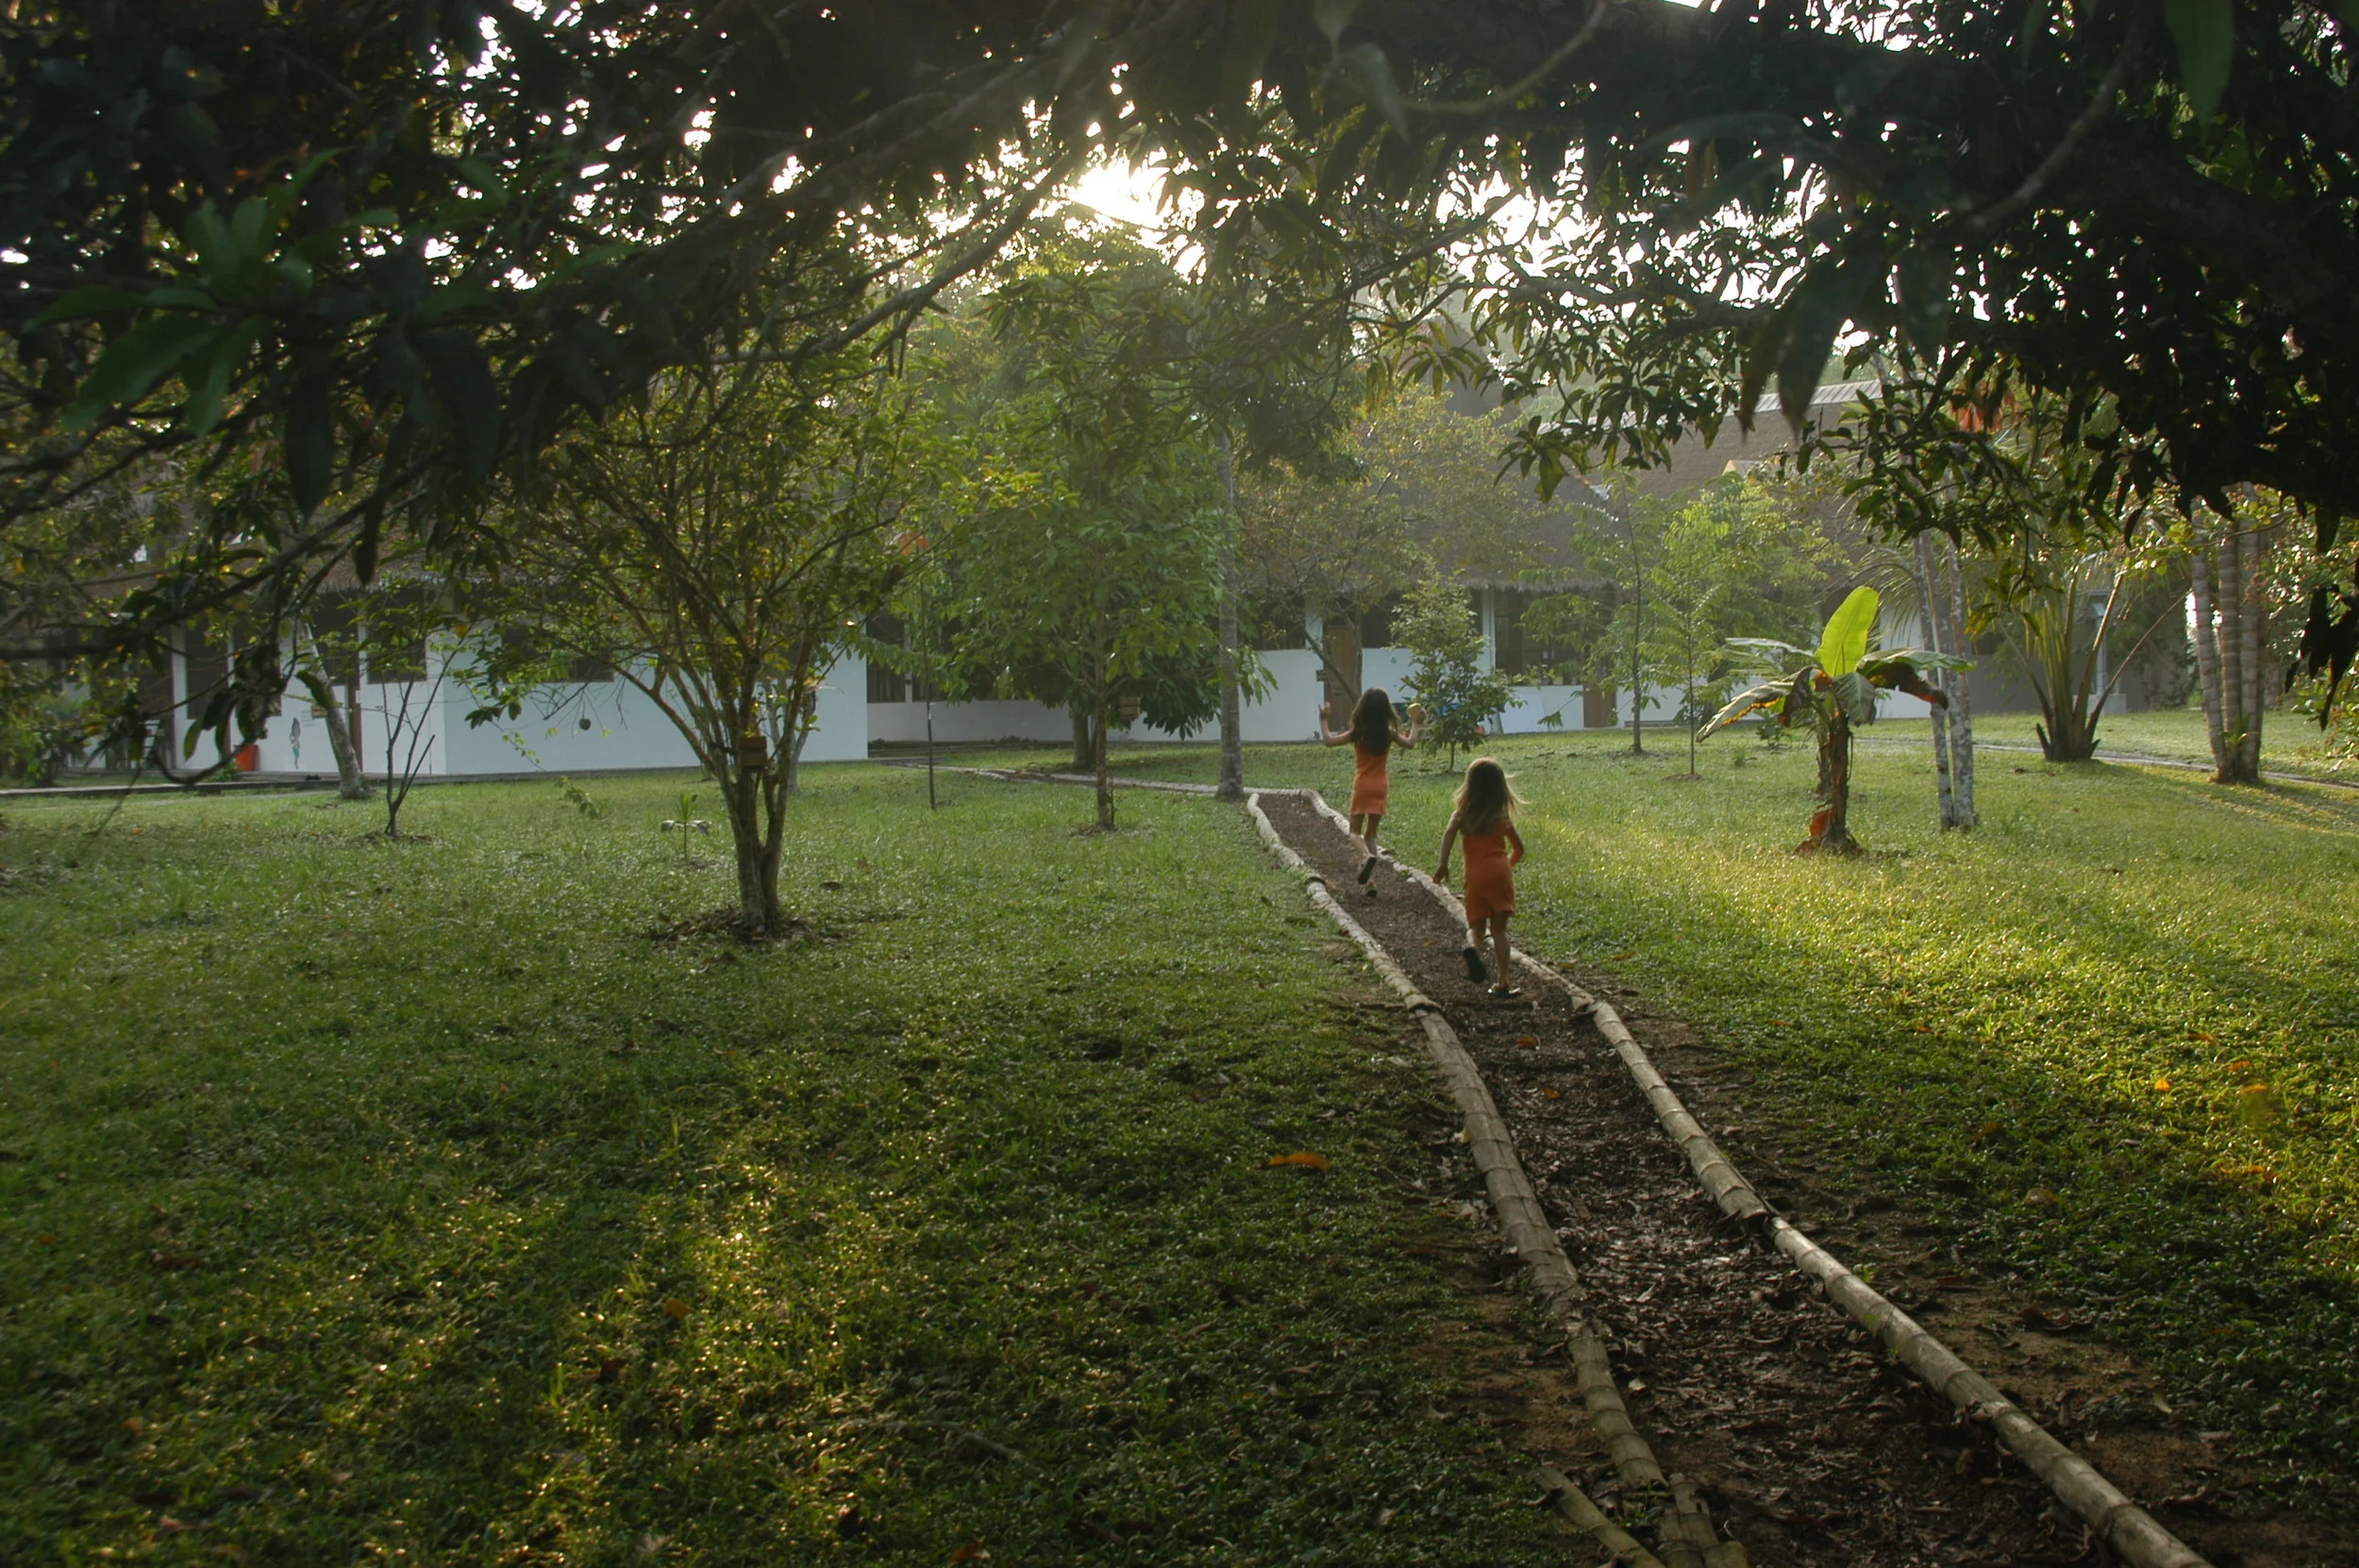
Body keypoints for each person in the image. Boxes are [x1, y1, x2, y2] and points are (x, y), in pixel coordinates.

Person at [1435, 757, 1526, 998]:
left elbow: (1448, 834)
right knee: (1499, 930)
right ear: (1500, 788)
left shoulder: (1462, 815)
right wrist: (1506, 867)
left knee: (1475, 927)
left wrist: (1443, 864)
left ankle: (1472, 948)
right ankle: (1503, 981)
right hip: (1500, 872)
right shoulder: (1501, 817)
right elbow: (1519, 849)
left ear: (1470, 786)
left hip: (1475, 876)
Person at [1319, 688, 1422, 892]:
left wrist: (1323, 719)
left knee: (1354, 832)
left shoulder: (1358, 733)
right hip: (1381, 786)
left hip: (1363, 786)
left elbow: (1328, 741)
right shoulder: (1388, 733)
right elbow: (1410, 743)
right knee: (1371, 835)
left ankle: (1367, 857)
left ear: (1362, 709)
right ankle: (1370, 883)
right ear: (1386, 710)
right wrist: (1416, 723)